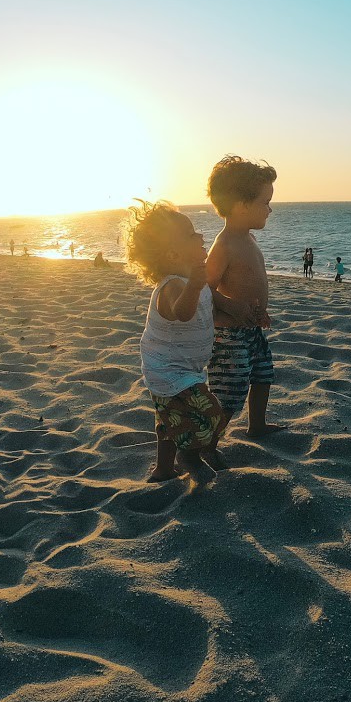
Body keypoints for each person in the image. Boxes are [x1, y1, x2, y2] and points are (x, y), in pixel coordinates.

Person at [126, 200, 227, 488]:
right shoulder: (172, 286)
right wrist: (195, 286)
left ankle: (163, 469)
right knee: (211, 413)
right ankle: (190, 455)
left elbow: (207, 309)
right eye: (192, 234)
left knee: (171, 420)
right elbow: (182, 313)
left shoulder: (193, 282)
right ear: (173, 254)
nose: (201, 237)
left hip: (185, 366)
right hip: (168, 369)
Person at [205, 156, 286, 450]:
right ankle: (207, 443)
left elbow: (251, 279)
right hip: (228, 336)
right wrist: (230, 305)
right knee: (231, 392)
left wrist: (258, 312)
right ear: (241, 204)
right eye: (265, 202)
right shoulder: (224, 244)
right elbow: (203, 288)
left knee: (263, 374)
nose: (270, 208)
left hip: (251, 330)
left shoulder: (247, 238)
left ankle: (257, 425)